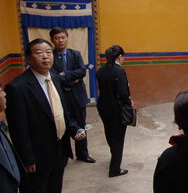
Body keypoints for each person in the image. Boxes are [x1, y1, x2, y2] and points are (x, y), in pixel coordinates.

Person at [4, 39, 86, 193]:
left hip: (58, 149)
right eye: (39, 53)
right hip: (36, 157)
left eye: (48, 52)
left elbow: (62, 112)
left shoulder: (56, 80)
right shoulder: (18, 87)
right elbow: (19, 128)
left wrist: (74, 129)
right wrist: (27, 158)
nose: (46, 56)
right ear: (29, 58)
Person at [50, 27, 95, 163]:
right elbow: (53, 77)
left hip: (77, 96)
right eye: (57, 38)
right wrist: (72, 78)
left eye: (63, 37)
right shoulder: (50, 55)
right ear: (52, 40)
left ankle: (82, 154)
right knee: (63, 125)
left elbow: (82, 71)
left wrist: (64, 75)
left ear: (67, 38)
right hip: (61, 96)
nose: (60, 40)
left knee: (81, 124)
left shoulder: (75, 54)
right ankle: (65, 155)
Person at [96, 45, 131, 178]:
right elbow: (122, 93)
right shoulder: (119, 71)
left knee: (109, 133)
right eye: (123, 57)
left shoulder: (100, 71)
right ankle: (115, 168)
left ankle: (114, 155)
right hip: (116, 108)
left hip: (103, 107)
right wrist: (129, 102)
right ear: (119, 56)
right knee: (118, 138)